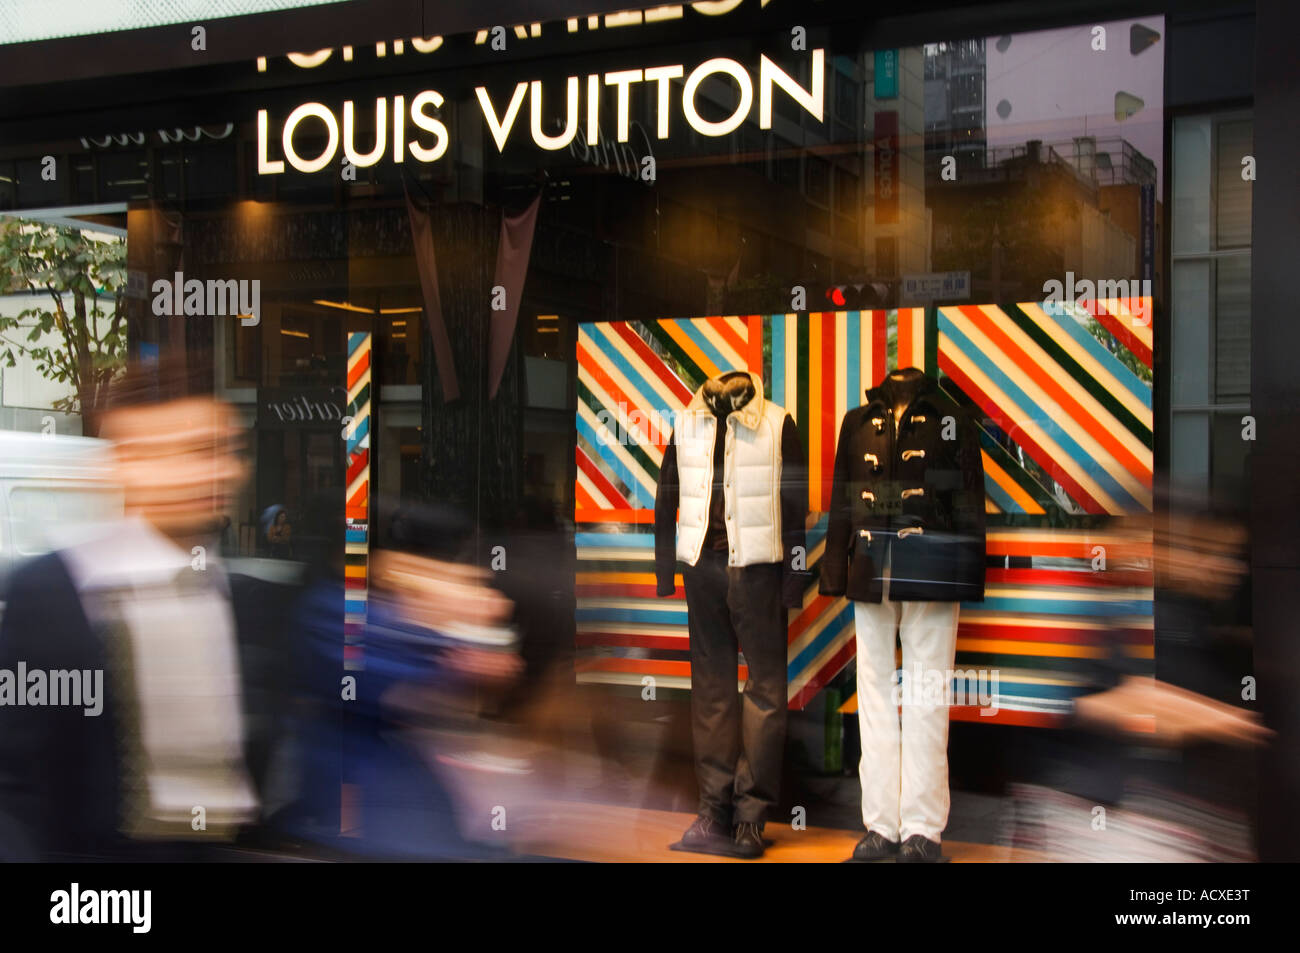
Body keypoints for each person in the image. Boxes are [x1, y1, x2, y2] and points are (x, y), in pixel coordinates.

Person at [0, 357, 293, 861]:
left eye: (223, 450)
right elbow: (18, 793)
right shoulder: (52, 595)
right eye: (190, 452)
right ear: (126, 463)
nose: (216, 469)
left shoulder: (251, 603)